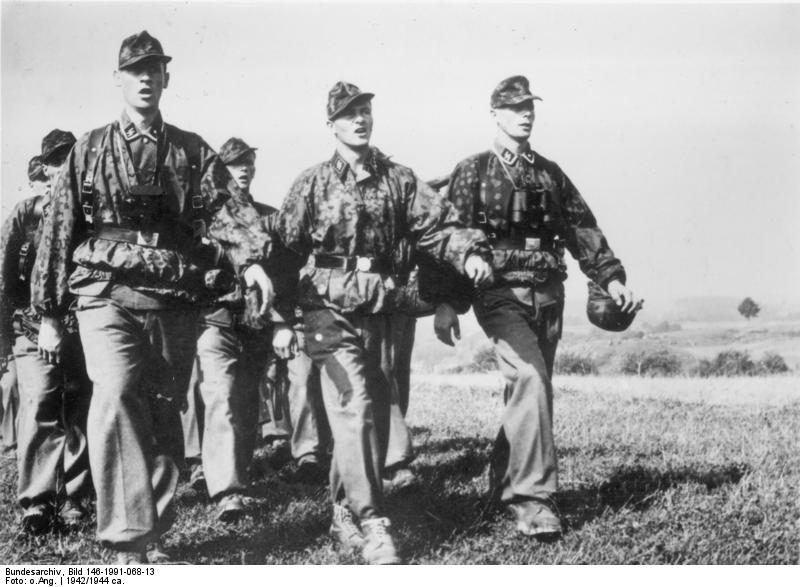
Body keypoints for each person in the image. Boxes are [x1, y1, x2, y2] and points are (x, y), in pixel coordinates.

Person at [31, 32, 275, 564]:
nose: (145, 77)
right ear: (117, 79)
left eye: (154, 69)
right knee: (117, 393)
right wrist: (48, 312)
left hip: (173, 295)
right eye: (134, 70)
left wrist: (251, 260)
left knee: (164, 407)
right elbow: (57, 229)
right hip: (105, 291)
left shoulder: (190, 150)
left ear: (167, 78)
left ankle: (153, 529)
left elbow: (225, 210)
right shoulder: (89, 149)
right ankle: (127, 539)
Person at [276, 81, 493, 564]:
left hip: (379, 306)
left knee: (368, 414)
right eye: (350, 114)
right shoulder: (310, 182)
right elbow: (282, 250)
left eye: (366, 111)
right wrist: (277, 318)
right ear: (330, 124)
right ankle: (374, 522)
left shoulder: (399, 179)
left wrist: (470, 252)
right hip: (323, 312)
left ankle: (342, 514)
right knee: (353, 403)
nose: (360, 120)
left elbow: (438, 226)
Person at [446, 75, 639, 539]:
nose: (525, 114)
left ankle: (502, 483)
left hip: (549, 293)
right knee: (530, 380)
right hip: (498, 294)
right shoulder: (474, 169)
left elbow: (582, 228)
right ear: (495, 114)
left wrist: (611, 278)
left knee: (530, 390)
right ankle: (533, 500)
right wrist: (447, 303)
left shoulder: (550, 172)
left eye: (530, 106)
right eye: (514, 108)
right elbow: (451, 231)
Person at [180, 137, 290, 521]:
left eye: (248, 164)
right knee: (222, 396)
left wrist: (281, 323)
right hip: (215, 320)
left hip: (256, 322)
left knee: (245, 404)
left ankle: (236, 476)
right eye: (234, 165)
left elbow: (281, 275)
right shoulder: (201, 219)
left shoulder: (266, 218)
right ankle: (227, 491)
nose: (243, 170)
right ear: (219, 172)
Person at [0, 143, 93, 534]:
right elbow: (4, 279)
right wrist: (5, 340)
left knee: (79, 411)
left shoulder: (92, 214)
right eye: (54, 163)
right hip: (32, 327)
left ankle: (74, 495)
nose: (60, 170)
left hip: (83, 328)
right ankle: (38, 501)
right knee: (39, 403)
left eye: (67, 161)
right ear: (44, 168)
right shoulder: (26, 214)